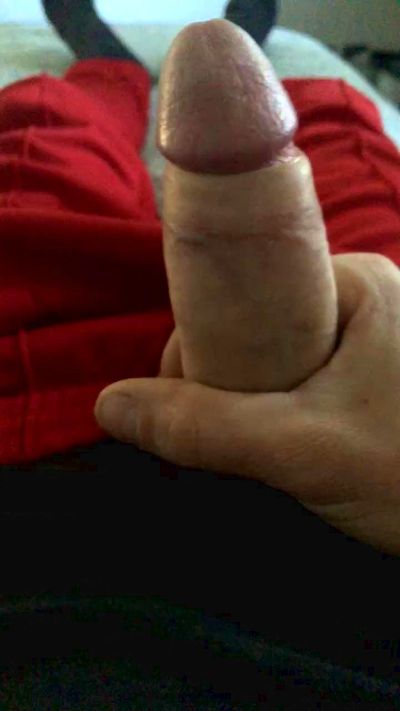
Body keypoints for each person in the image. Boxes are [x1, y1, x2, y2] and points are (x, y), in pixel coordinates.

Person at [1, 0, 400, 707]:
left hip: (36, 408)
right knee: (367, 213)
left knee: (39, 168)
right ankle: (304, 95)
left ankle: (105, 75)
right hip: (366, 483)